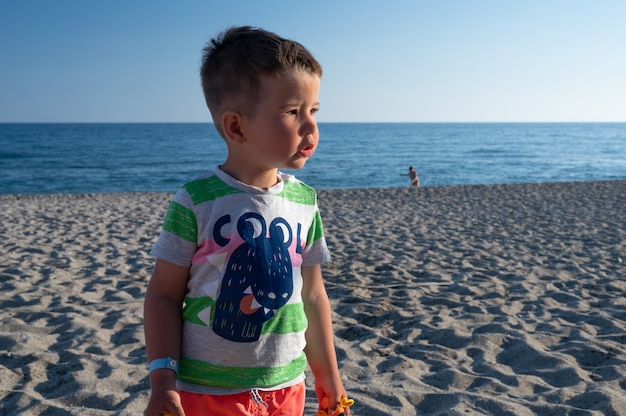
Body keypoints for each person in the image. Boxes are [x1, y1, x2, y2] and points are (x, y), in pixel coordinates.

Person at [144, 26, 350, 416]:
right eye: (292, 112)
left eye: (314, 111)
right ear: (236, 126)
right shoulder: (196, 202)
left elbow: (313, 296)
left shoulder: (304, 202)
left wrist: (328, 376)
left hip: (287, 387)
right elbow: (163, 296)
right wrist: (162, 380)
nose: (310, 127)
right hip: (209, 391)